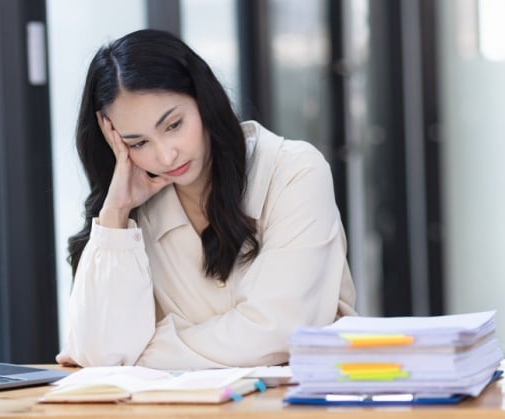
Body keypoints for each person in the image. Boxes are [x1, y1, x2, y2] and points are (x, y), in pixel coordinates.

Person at [56, 29, 356, 370]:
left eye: (173, 125)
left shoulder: (294, 172)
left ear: (204, 100)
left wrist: (141, 355)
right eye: (138, 144)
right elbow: (101, 355)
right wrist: (115, 213)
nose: (166, 156)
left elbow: (279, 332)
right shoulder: (137, 213)